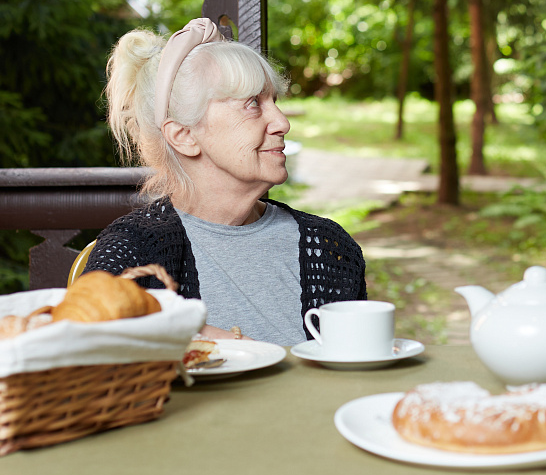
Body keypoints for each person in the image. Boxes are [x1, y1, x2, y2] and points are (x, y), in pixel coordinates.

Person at [84, 18, 367, 346]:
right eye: (252, 104)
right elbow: (88, 346)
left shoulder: (330, 247)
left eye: (275, 101)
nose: (282, 122)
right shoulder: (132, 250)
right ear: (185, 136)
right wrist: (196, 336)